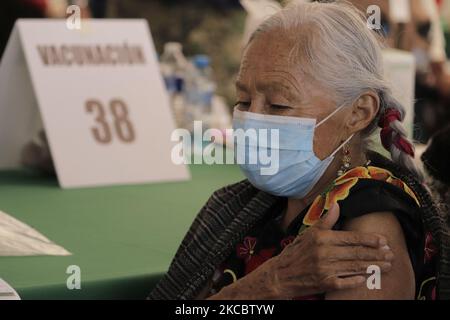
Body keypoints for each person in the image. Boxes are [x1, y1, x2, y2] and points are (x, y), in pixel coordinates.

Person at [149, 1, 445, 300]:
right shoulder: (251, 203)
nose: (252, 119)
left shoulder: (368, 235)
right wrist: (265, 284)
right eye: (243, 100)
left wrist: (263, 287)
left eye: (278, 105)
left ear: (358, 113)